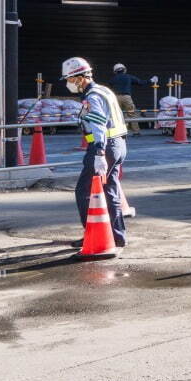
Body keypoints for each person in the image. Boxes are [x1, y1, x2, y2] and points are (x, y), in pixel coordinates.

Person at [63, 57, 128, 249]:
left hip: (103, 147)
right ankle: (118, 236)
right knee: (110, 190)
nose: (69, 84)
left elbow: (99, 124)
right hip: (119, 144)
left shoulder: (92, 96)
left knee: (84, 191)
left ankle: (93, 234)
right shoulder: (105, 90)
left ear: (80, 78)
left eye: (70, 79)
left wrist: (99, 152)